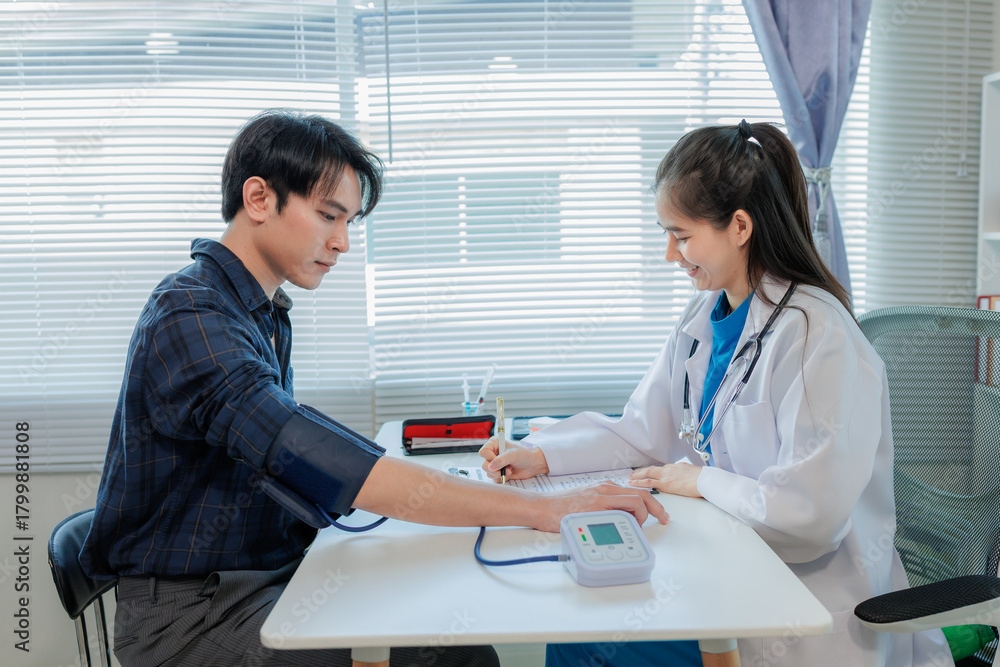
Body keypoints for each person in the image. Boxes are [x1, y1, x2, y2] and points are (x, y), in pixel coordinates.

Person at [80, 108, 668, 667]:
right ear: (259, 198)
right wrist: (543, 508)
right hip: (192, 622)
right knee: (456, 654)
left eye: (347, 223)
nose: (341, 242)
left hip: (257, 578)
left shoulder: (255, 309)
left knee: (444, 599)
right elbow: (306, 448)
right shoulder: (191, 315)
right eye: (328, 215)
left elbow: (299, 453)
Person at [479, 121, 954, 667]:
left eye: (681, 236)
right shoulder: (705, 316)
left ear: (740, 226)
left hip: (803, 608)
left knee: (588, 646)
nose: (669, 255)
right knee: (579, 628)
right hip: (725, 567)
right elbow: (645, 429)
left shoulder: (819, 339)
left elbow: (811, 518)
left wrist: (701, 479)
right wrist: (541, 455)